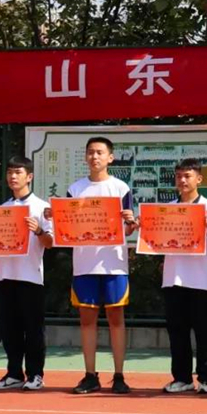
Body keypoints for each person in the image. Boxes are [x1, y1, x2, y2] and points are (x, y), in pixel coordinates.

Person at [0, 156, 53, 390]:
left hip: (31, 276)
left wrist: (38, 230)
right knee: (9, 328)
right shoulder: (1, 209)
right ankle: (14, 373)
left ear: (29, 176)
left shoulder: (42, 207)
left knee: (33, 328)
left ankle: (35, 374)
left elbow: (51, 242)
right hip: (4, 275)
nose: (13, 176)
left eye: (18, 172)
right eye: (10, 172)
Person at [63, 137, 138, 394]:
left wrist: (131, 222)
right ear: (85, 157)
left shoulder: (120, 188)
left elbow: (127, 228)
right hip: (84, 264)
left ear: (110, 158)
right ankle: (90, 375)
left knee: (116, 319)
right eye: (90, 152)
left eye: (99, 152)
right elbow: (67, 226)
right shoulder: (75, 189)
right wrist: (56, 217)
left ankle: (119, 376)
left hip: (114, 265)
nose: (94, 157)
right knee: (87, 321)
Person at [158, 159, 207, 394]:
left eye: (187, 176)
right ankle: (182, 378)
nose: (182, 180)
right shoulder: (167, 209)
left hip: (201, 278)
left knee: (203, 331)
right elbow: (156, 240)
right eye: (179, 176)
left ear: (199, 179)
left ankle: (206, 378)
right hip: (173, 277)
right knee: (177, 331)